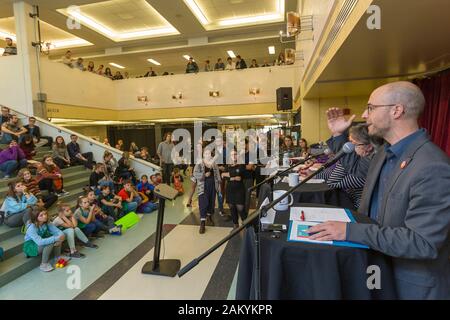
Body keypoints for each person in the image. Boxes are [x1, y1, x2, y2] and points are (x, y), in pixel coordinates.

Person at [307, 81, 450, 300]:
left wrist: (349, 231)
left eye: (371, 108)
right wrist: (339, 137)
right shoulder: (385, 153)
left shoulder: (432, 166)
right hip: (378, 272)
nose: (365, 114)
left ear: (397, 110)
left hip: (410, 285)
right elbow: (353, 161)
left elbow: (423, 242)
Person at [23, 207, 66, 272]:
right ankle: (43, 264)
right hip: (31, 246)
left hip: (40, 242)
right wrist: (56, 238)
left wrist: (61, 236)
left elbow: (57, 231)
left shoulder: (47, 223)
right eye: (41, 215)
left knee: (56, 238)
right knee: (51, 241)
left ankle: (57, 258)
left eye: (45, 214)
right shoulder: (31, 227)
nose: (45, 216)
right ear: (35, 217)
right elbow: (40, 242)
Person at [193, 148, 221, 234]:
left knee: (211, 202)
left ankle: (209, 217)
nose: (208, 155)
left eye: (209, 154)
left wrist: (219, 184)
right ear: (203, 154)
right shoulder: (199, 163)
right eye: (206, 153)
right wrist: (204, 175)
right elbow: (195, 174)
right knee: (203, 203)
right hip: (203, 186)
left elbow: (217, 175)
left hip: (212, 185)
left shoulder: (214, 164)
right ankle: (202, 223)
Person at [221, 149, 247, 229]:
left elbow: (238, 174)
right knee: (232, 207)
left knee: (240, 208)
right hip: (230, 189)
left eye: (235, 154)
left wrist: (227, 174)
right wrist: (233, 178)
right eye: (232, 154)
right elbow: (223, 176)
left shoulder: (241, 165)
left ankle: (245, 224)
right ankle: (235, 224)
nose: (234, 156)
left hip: (239, 189)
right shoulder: (227, 166)